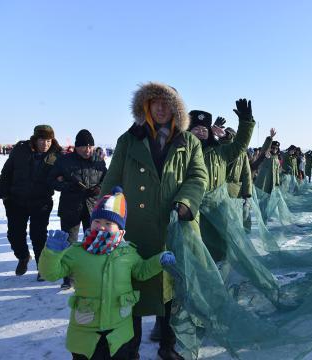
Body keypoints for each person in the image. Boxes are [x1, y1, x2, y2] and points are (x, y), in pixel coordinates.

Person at [100, 82, 208, 360]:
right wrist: (105, 213)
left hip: (176, 228)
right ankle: (129, 346)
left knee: (172, 290)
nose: (161, 107)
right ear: (145, 106)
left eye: (166, 102)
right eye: (155, 102)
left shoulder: (189, 141)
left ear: (176, 108)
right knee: (131, 288)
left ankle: (168, 346)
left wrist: (185, 202)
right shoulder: (129, 139)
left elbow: (198, 177)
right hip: (135, 228)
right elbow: (112, 180)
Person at [39, 186, 176, 360]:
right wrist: (52, 253)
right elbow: (50, 274)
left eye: (108, 223)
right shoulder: (77, 252)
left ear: (121, 230)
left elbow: (141, 271)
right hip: (86, 331)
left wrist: (159, 261)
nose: (101, 227)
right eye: (97, 222)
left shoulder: (128, 253)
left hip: (119, 331)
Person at [188, 103, 255, 262]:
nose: (201, 133)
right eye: (196, 129)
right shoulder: (182, 152)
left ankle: (219, 278)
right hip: (191, 210)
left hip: (217, 209)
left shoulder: (220, 152)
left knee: (219, 248)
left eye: (204, 130)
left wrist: (246, 122)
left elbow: (240, 145)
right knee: (196, 250)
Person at [0, 125, 62, 279]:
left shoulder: (57, 155)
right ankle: (23, 256)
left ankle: (42, 266)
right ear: (35, 139)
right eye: (42, 140)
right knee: (14, 234)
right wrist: (4, 195)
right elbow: (6, 172)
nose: (45, 144)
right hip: (16, 200)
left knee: (38, 235)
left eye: (48, 140)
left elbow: (63, 176)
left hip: (41, 202)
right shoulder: (20, 150)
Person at [48, 129, 108, 289]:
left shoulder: (98, 160)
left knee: (95, 241)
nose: (88, 150)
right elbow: (52, 180)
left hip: (93, 209)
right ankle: (68, 277)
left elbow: (106, 179)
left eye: (90, 146)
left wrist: (99, 189)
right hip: (70, 207)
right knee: (69, 243)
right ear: (76, 147)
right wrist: (69, 186)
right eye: (84, 147)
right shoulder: (64, 161)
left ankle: (94, 273)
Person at [252, 128, 280, 194]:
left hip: (272, 182)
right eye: (273, 148)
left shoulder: (277, 159)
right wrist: (270, 138)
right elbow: (264, 148)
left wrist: (277, 182)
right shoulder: (266, 155)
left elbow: (277, 172)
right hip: (263, 182)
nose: (274, 149)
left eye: (276, 148)